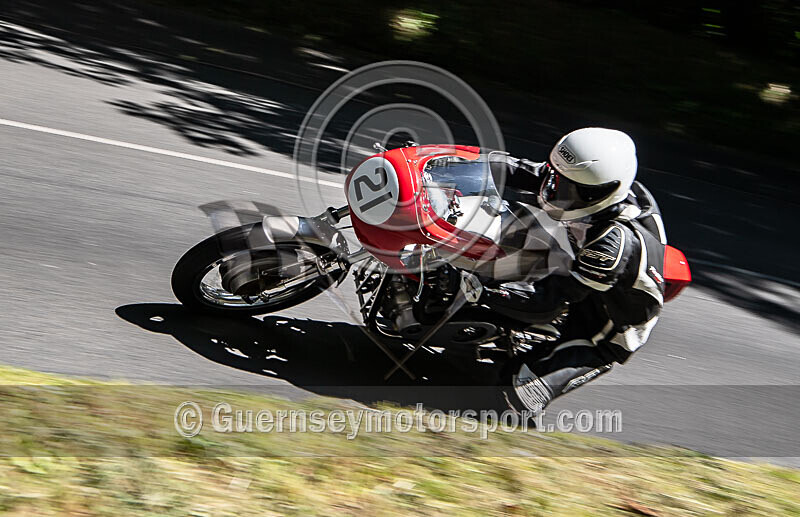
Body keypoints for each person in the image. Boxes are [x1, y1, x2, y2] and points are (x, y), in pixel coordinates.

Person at [481, 127, 668, 415]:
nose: (556, 193)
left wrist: (479, 289)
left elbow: (547, 299)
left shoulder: (611, 245)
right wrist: (445, 162)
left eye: (570, 190)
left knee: (517, 397)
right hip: (573, 254)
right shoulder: (590, 182)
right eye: (559, 179)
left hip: (605, 320)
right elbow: (525, 171)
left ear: (603, 193)